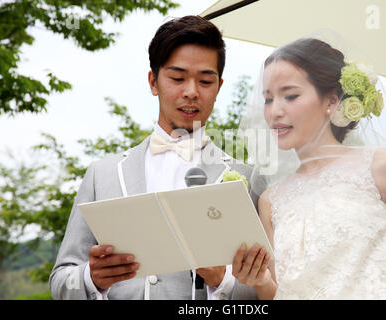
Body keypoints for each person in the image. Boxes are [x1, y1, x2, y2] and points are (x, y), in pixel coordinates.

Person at [49, 15, 266, 300]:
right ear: (153, 82)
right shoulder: (102, 174)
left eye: (205, 81)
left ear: (218, 88)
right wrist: (92, 277)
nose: (191, 92)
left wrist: (222, 279)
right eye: (177, 78)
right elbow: (60, 282)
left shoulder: (247, 180)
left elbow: (266, 289)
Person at [231, 36, 386, 299]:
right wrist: (262, 283)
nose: (275, 111)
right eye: (268, 99)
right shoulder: (270, 200)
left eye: (290, 95)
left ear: (331, 102)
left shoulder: (379, 166)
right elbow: (279, 294)